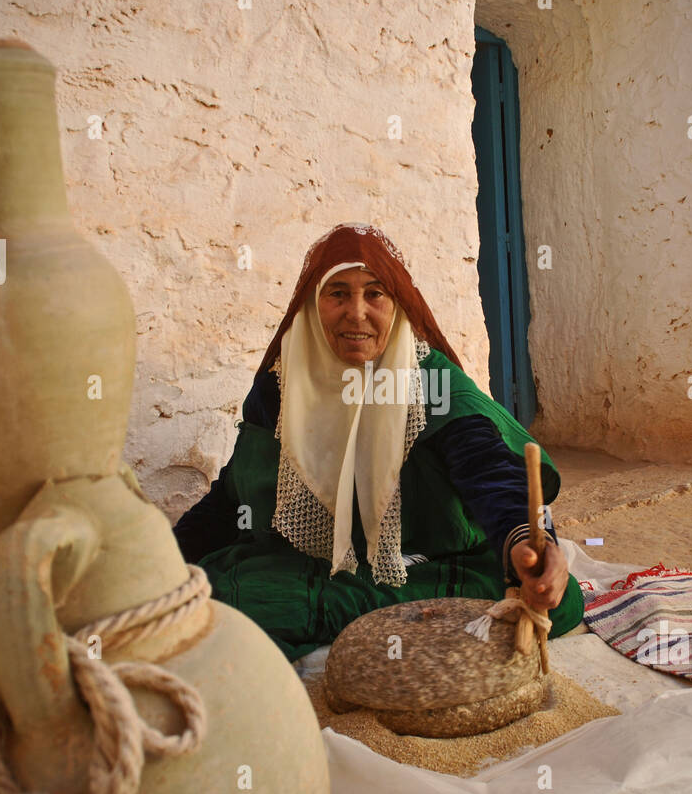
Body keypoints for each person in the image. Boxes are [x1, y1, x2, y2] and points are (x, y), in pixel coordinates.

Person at [172, 223, 583, 660]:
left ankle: (328, 618)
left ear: (398, 304)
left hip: (427, 565)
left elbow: (489, 471)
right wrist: (166, 555)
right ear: (313, 305)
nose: (356, 313)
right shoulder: (279, 389)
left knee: (556, 598)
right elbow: (230, 495)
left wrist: (525, 543)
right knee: (222, 593)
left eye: (375, 294)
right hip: (316, 564)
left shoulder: (432, 382)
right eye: (337, 294)